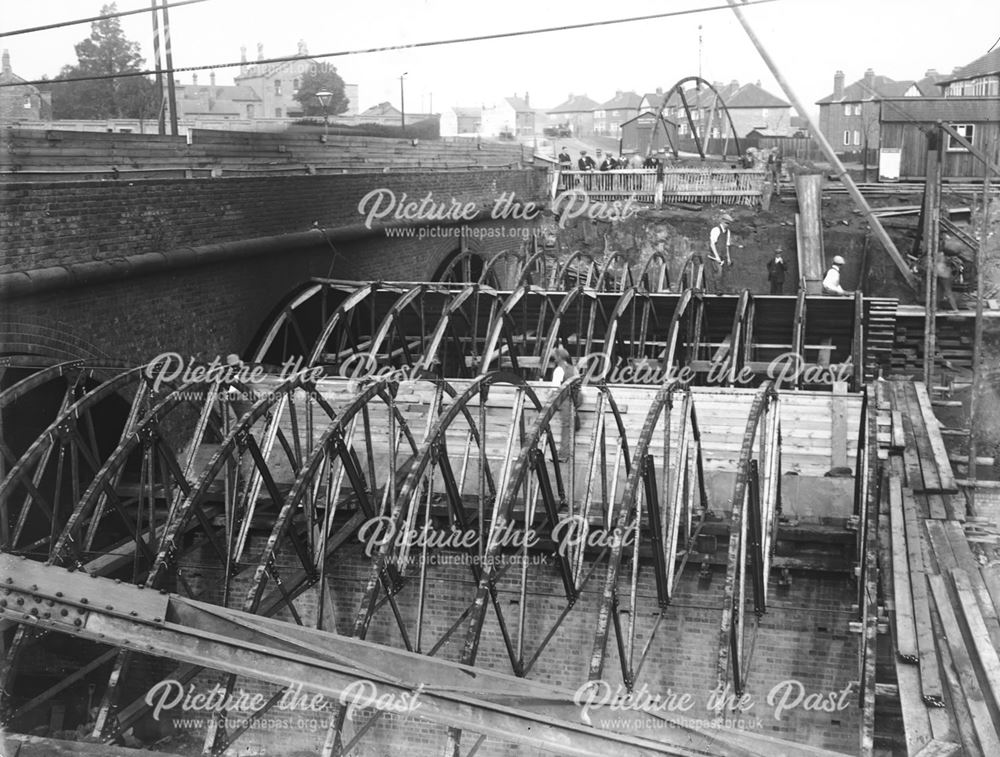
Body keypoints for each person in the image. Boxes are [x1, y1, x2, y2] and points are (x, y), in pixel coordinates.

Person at [550, 347, 581, 462]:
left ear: (558, 358)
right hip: (574, 399)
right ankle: (567, 452)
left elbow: (554, 388)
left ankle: (563, 455)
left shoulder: (559, 370)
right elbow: (579, 385)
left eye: (555, 358)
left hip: (565, 400)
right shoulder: (574, 369)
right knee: (570, 425)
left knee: (566, 426)